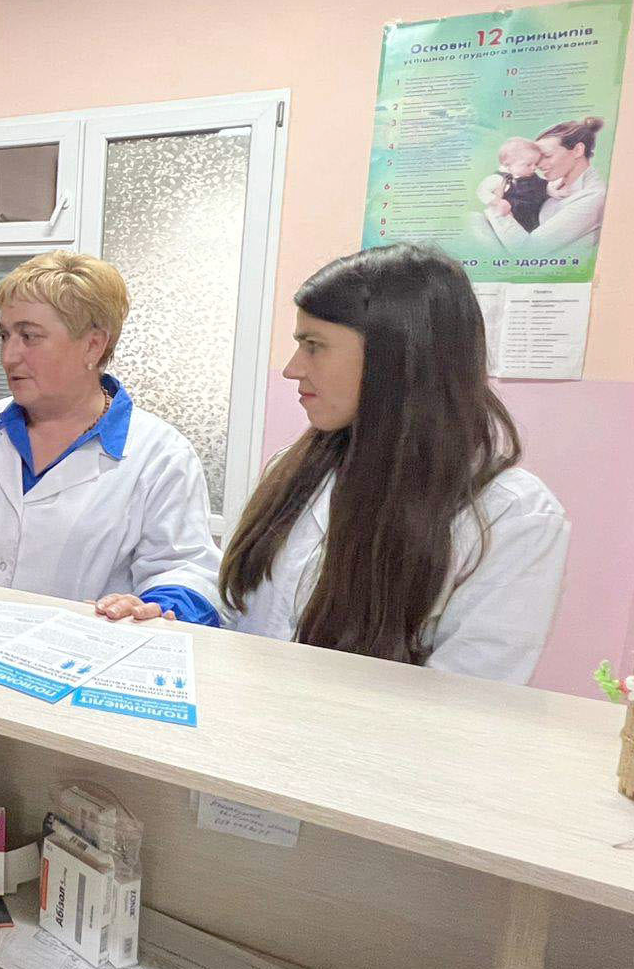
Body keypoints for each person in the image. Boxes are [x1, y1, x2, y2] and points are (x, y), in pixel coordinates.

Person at [219, 244, 568, 682]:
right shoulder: (292, 471)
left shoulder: (513, 516)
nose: (292, 369)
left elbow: (468, 697)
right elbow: (240, 615)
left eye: (314, 346)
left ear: (395, 358)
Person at [0, 251, 222, 625]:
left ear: (93, 345)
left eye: (29, 337)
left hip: (84, 658)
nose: (9, 356)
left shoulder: (161, 456)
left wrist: (152, 608)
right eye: (4, 335)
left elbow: (187, 573)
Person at [479, 117, 606, 254]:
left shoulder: (593, 198)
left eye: (547, 156)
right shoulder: (551, 183)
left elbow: (527, 251)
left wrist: (498, 211)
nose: (538, 165)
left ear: (578, 150)